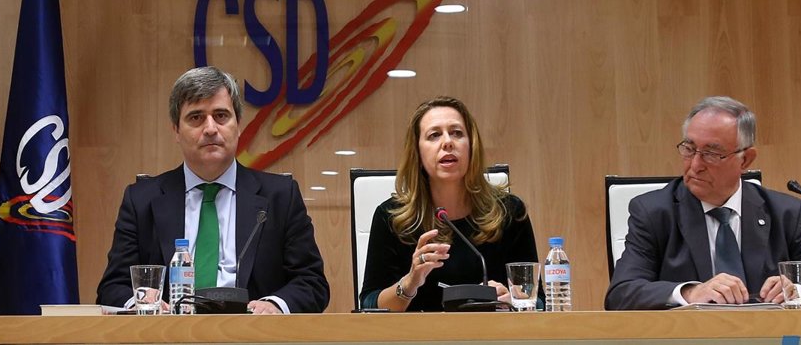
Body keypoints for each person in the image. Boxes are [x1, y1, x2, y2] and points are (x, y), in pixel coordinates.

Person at [96, 66, 329, 314]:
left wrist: (273, 306)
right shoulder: (141, 200)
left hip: (253, 332)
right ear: (176, 130)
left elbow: (312, 282)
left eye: (221, 116)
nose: (210, 128)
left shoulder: (280, 197)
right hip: (169, 332)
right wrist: (142, 301)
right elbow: (112, 287)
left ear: (238, 125)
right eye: (196, 117)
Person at [606, 96, 801, 310]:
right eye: (689, 149)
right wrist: (690, 293)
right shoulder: (654, 212)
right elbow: (622, 293)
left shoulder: (785, 213)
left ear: (745, 159)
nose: (695, 165)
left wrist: (798, 293)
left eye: (711, 153)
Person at [360, 96, 538, 311]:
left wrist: (513, 301)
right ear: (417, 152)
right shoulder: (391, 217)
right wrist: (409, 283)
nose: (447, 142)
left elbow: (538, 301)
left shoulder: (509, 212)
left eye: (457, 133)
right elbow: (369, 304)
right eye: (434, 135)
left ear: (471, 146)